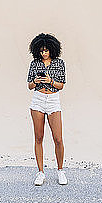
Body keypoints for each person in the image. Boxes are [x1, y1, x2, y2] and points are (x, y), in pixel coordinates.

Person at [27, 32, 67, 186]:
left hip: (53, 100)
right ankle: (40, 172)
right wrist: (35, 81)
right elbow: (29, 86)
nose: (44, 53)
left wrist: (50, 81)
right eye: (41, 51)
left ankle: (60, 170)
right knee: (38, 137)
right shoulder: (34, 64)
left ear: (52, 49)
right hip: (37, 99)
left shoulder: (59, 63)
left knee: (58, 138)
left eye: (46, 50)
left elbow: (61, 85)